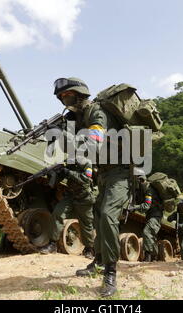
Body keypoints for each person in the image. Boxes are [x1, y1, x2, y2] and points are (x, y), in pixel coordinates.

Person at [53, 77, 131, 297]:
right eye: (61, 98)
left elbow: (95, 139)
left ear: (80, 94)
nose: (63, 100)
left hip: (121, 171)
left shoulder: (96, 112)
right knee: (97, 215)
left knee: (107, 215)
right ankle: (98, 260)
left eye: (66, 96)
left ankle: (110, 272)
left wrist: (71, 136)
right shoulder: (78, 118)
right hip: (103, 173)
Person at [39, 163, 95, 259]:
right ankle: (52, 244)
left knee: (86, 223)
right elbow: (59, 179)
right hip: (70, 195)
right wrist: (53, 173)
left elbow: (85, 179)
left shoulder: (87, 163)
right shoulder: (69, 162)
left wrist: (68, 172)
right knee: (57, 214)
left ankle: (89, 249)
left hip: (84, 197)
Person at [128, 170, 163, 262]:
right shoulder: (142, 190)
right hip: (151, 215)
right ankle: (154, 257)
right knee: (152, 236)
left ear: (141, 180)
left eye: (137, 180)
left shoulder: (149, 190)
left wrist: (134, 207)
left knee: (147, 232)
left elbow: (147, 206)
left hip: (155, 215)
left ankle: (147, 258)